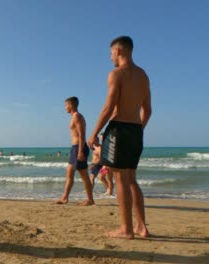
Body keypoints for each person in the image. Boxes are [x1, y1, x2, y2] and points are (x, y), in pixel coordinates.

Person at [87, 36, 152, 239]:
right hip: (135, 130)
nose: (110, 58)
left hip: (119, 130)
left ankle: (126, 229)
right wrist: (137, 129)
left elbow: (108, 106)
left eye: (110, 54)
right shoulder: (143, 76)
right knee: (132, 179)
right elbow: (148, 110)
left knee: (120, 178)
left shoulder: (116, 74)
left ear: (118, 51)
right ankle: (141, 227)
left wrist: (94, 132)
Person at [56, 97, 94, 206]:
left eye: (66, 105)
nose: (65, 108)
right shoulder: (74, 116)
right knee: (71, 172)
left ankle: (90, 199)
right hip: (75, 147)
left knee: (83, 175)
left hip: (79, 147)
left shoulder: (77, 116)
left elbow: (82, 134)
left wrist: (81, 151)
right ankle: (65, 197)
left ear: (71, 105)